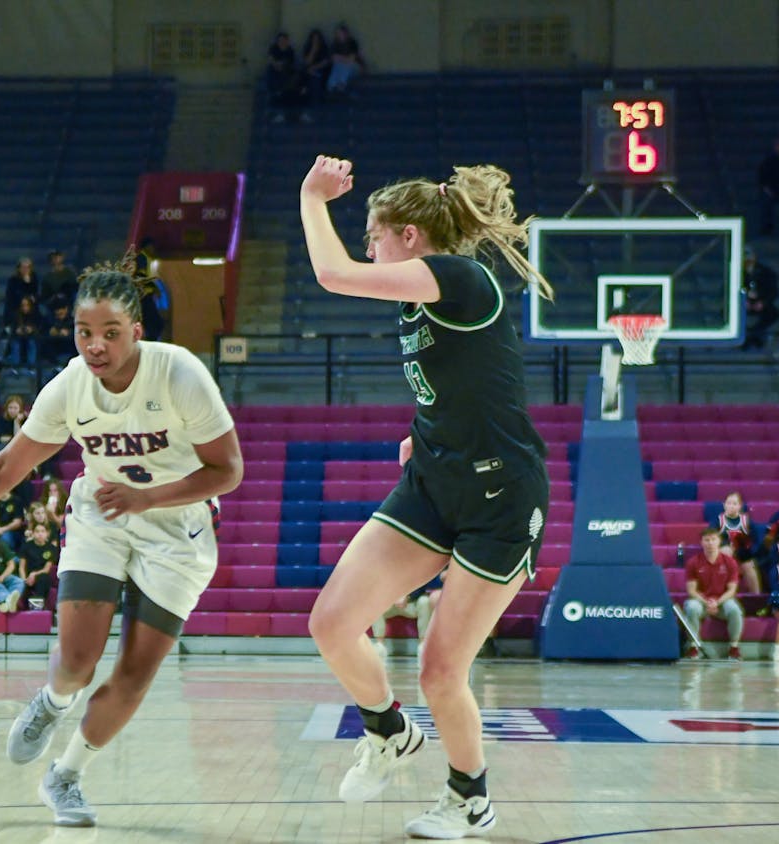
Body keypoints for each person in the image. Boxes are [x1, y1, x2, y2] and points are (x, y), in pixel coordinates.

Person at [0, 255, 243, 828]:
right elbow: (4, 470)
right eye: (83, 332)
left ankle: (65, 776)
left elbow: (228, 472)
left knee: (135, 674)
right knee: (76, 662)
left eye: (110, 334)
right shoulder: (70, 386)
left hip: (176, 530)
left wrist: (147, 499)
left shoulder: (180, 373)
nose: (95, 346)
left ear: (137, 333)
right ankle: (52, 702)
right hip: (102, 516)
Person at [299, 156, 555, 838]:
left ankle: (470, 799)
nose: (369, 252)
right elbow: (464, 377)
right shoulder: (425, 297)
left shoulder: (458, 277)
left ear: (409, 235)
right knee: (330, 623)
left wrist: (311, 198)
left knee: (442, 671)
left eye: (375, 237)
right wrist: (422, 432)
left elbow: (331, 274)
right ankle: (387, 731)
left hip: (501, 497)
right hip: (436, 480)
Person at [681, 529, 744, 660]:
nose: (710, 543)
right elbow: (691, 590)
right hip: (701, 601)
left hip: (722, 600)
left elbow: (732, 590)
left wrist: (717, 602)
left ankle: (734, 647)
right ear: (701, 542)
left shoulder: (730, 562)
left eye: (713, 539)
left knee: (735, 610)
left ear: (719, 541)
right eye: (707, 540)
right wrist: (707, 602)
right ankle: (694, 646)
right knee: (692, 608)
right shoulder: (693, 562)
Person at [740, 248, 779, 350]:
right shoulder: (736, 273)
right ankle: (745, 337)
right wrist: (742, 302)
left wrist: (763, 302)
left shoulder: (766, 272)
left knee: (773, 313)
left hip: (762, 303)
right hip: (742, 304)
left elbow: (773, 291)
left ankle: (754, 335)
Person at [265, 32, 308, 124]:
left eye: (284, 40)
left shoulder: (290, 50)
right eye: (280, 40)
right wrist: (278, 65)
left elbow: (289, 64)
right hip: (274, 74)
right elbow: (272, 61)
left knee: (294, 90)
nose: (282, 42)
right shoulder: (274, 49)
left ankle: (296, 114)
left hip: (285, 74)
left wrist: (283, 66)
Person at [326, 24, 368, 94]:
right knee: (337, 66)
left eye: (340, 33)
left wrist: (340, 58)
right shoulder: (335, 44)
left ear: (345, 33)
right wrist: (342, 59)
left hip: (353, 66)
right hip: (340, 66)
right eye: (337, 33)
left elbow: (351, 59)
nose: (339, 35)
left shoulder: (352, 43)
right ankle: (332, 84)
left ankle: (340, 84)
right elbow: (333, 58)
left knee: (345, 66)